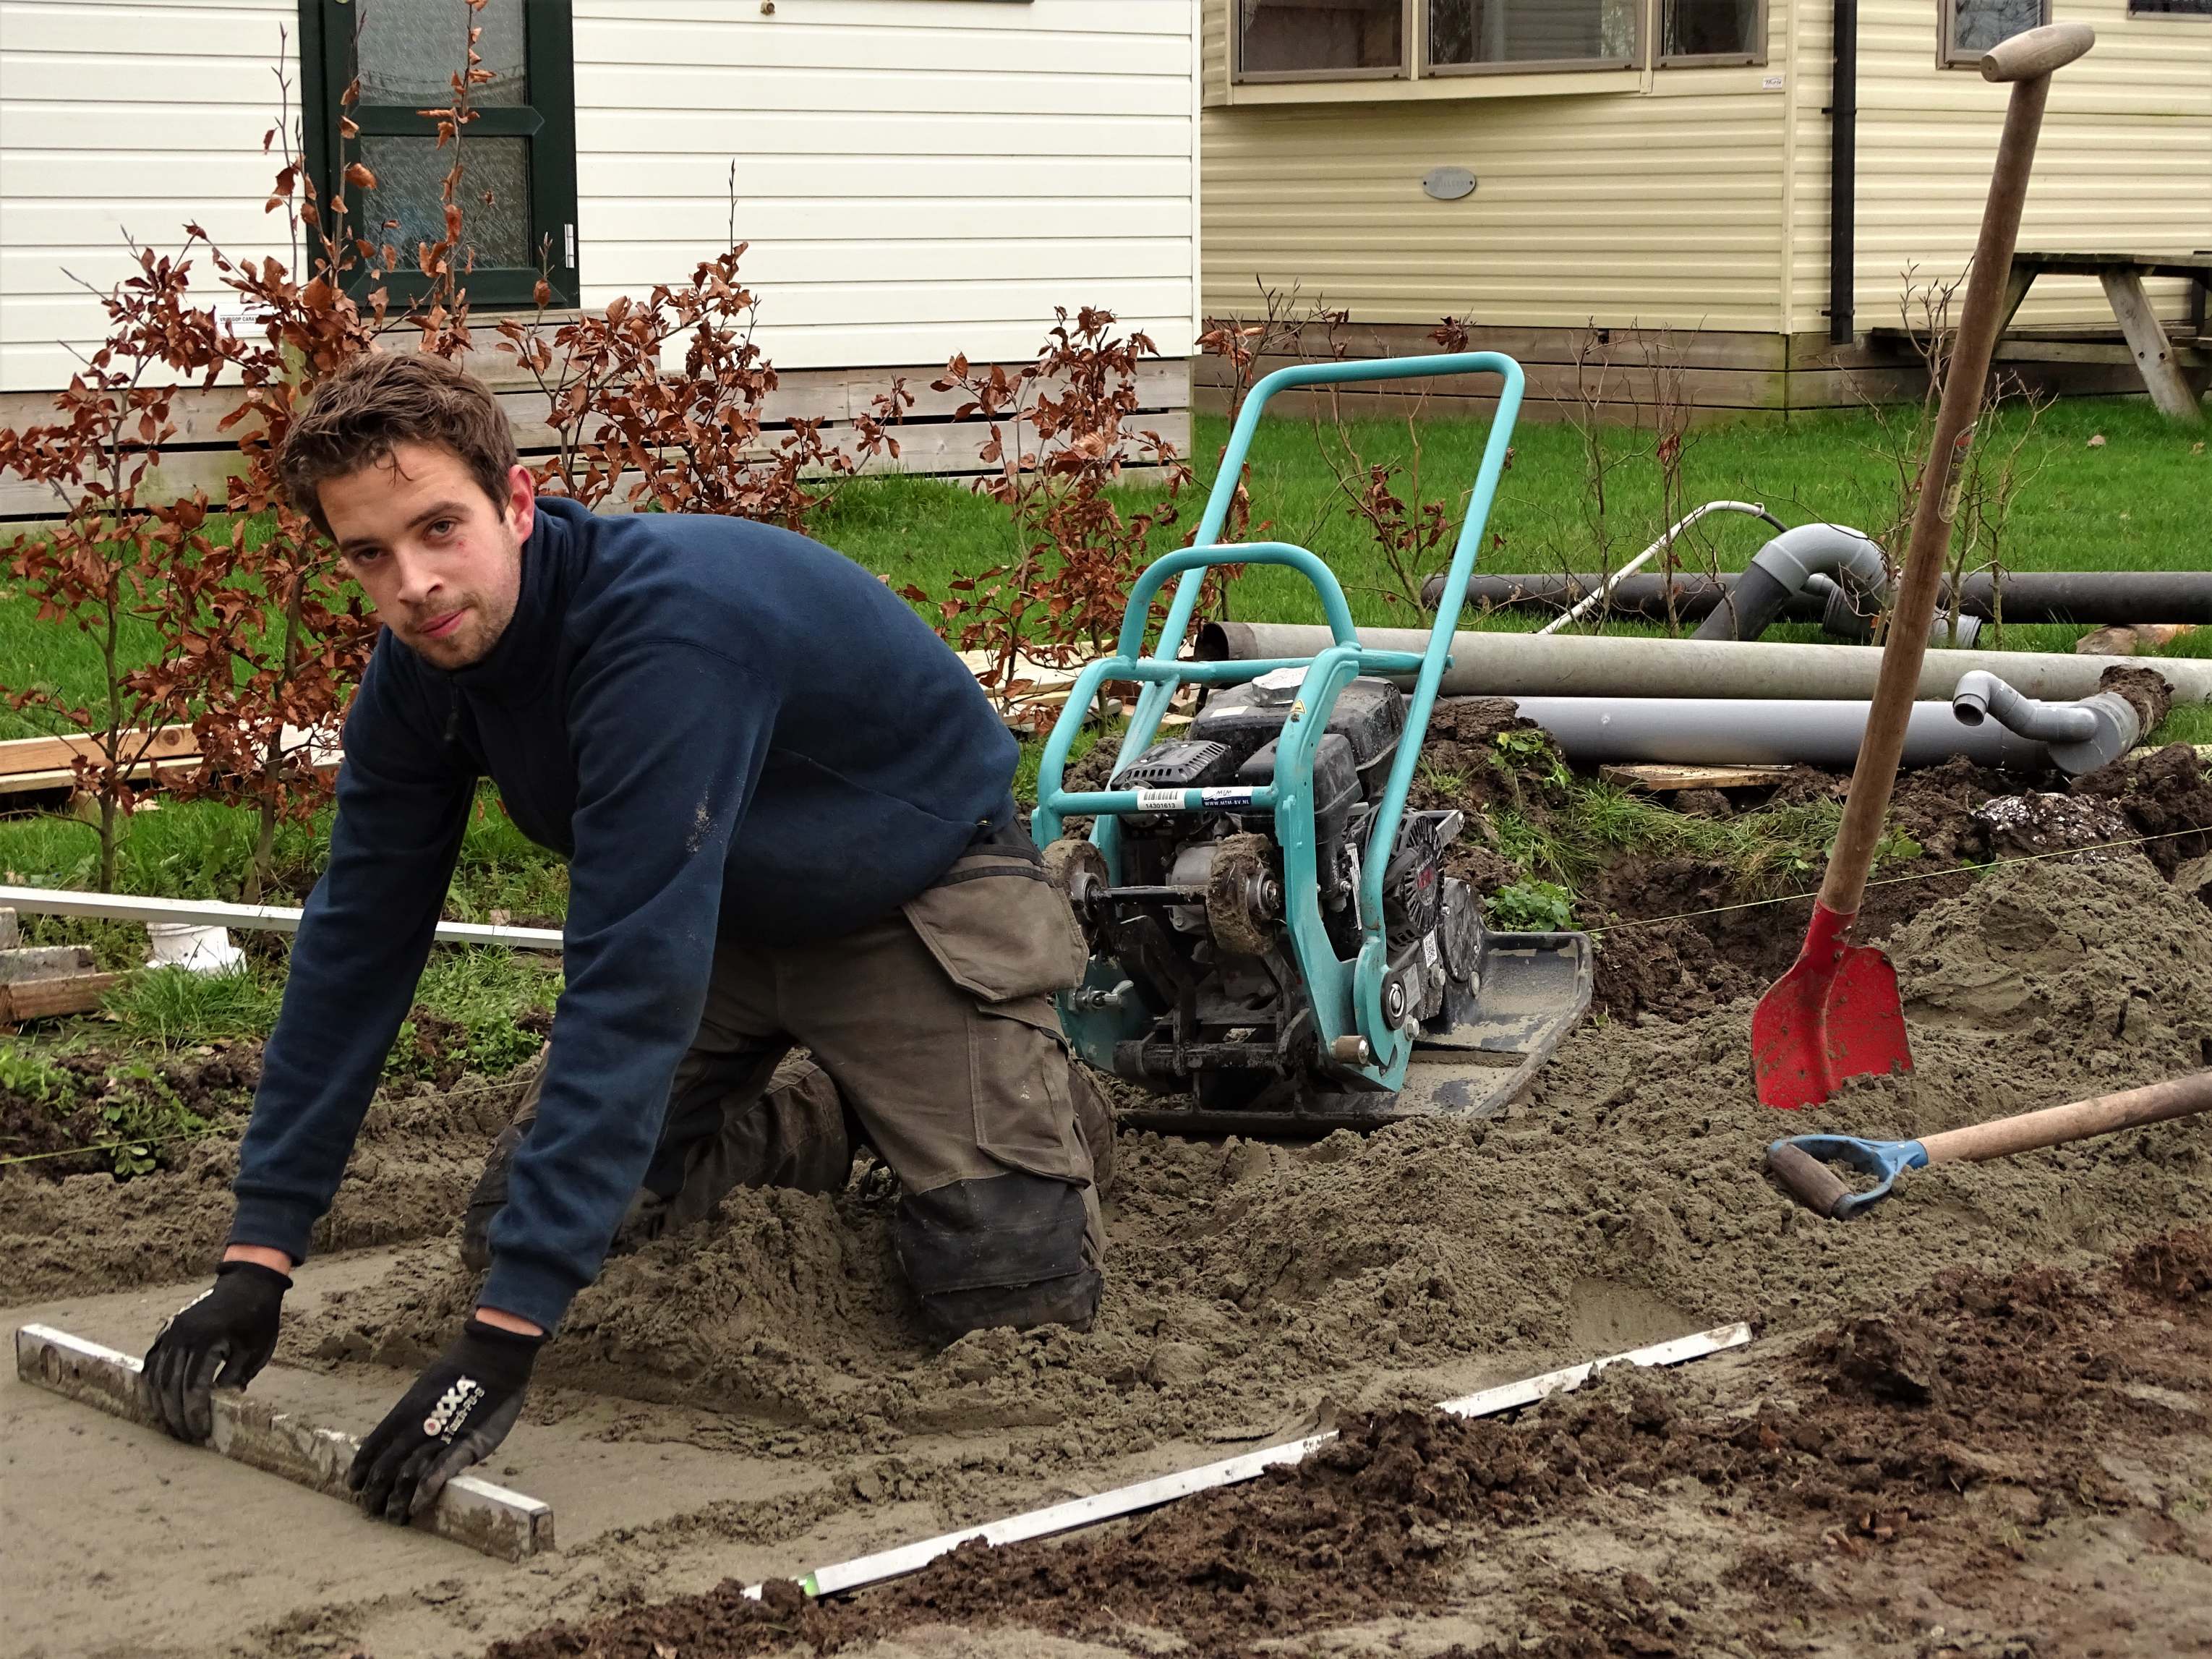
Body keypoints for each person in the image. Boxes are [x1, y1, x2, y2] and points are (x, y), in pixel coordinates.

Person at [140, 351, 1110, 1525]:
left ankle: (1011, 1089)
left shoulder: (663, 638)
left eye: (441, 528)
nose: (414, 583)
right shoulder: (420, 674)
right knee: (512, 1224)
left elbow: (629, 984)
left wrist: (499, 1349)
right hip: (718, 909)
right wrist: (258, 1258)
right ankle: (827, 1106)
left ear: (518, 501)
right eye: (369, 554)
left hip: (906, 891)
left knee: (1007, 1292)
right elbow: (354, 948)